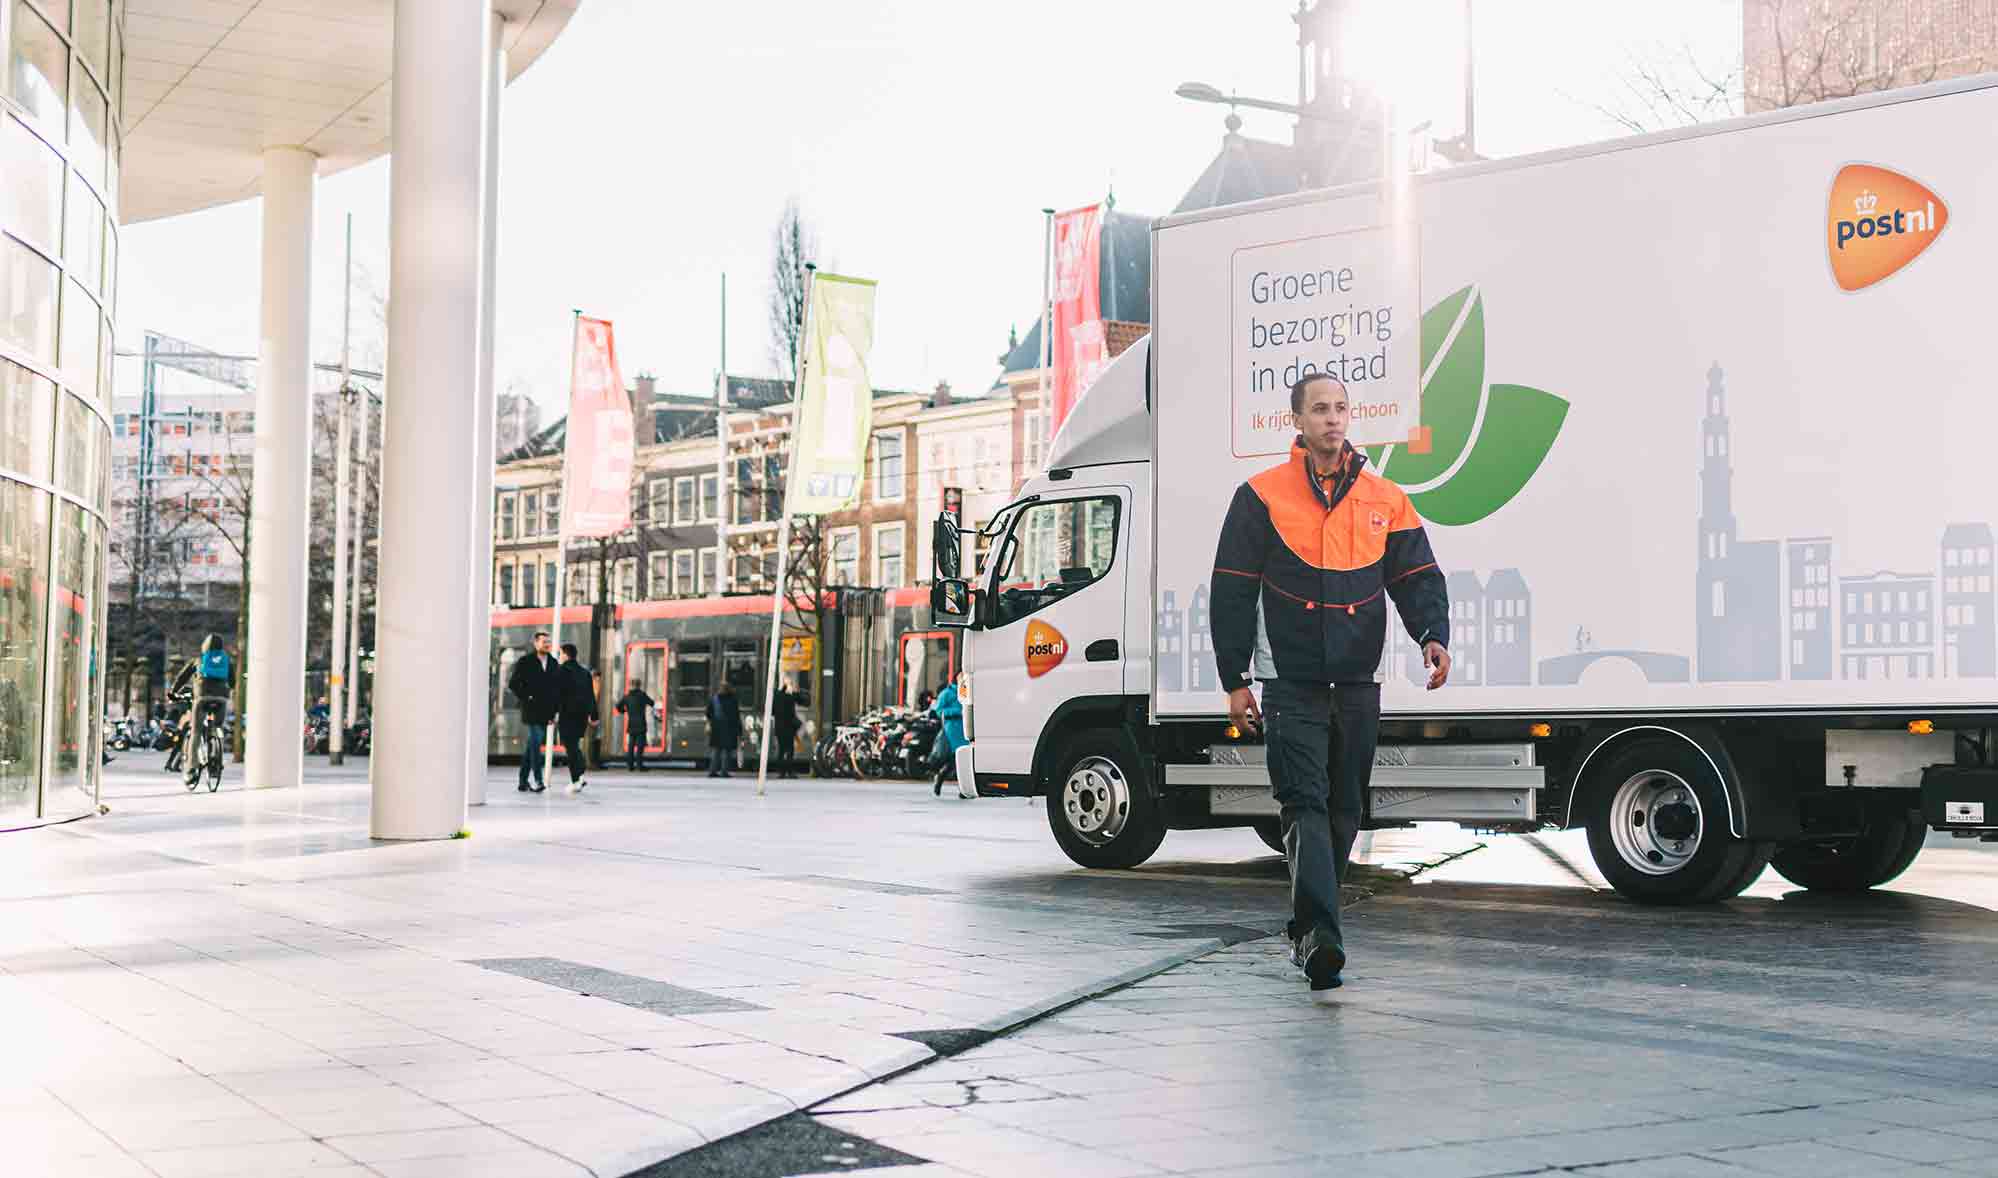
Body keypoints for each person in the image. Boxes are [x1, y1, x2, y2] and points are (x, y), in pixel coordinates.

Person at [1209, 374, 1451, 993]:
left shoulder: (1384, 497)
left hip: (1357, 683)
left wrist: (1432, 633)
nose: (1333, 419)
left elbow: (1416, 573)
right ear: (1298, 420)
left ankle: (1308, 927)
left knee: (1346, 810)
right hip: (1290, 684)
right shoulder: (1260, 497)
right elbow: (1232, 588)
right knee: (1305, 805)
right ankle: (1320, 937)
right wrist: (1234, 678)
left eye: (1341, 408)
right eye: (1320, 409)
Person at [167, 634, 234, 788]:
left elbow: (182, 677)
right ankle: (217, 759)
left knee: (196, 731)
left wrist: (173, 692)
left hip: (202, 697)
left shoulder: (198, 659)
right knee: (218, 728)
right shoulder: (226, 660)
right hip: (221, 698)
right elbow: (232, 681)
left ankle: (190, 769)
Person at [506, 632, 559, 793]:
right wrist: (526, 697)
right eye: (544, 642)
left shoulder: (553, 663)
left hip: (545, 713)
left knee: (532, 746)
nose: (547, 644)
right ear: (535, 643)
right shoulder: (525, 661)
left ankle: (523, 781)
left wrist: (553, 713)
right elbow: (513, 684)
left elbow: (555, 690)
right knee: (536, 744)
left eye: (548, 642)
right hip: (531, 710)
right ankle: (538, 779)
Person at [556, 642, 597, 793]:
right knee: (573, 745)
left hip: (567, 714)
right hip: (582, 716)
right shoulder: (585, 672)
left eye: (560, 654)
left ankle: (576, 778)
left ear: (566, 655)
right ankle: (579, 777)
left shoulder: (561, 671)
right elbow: (590, 696)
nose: (559, 657)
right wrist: (594, 715)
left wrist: (552, 713)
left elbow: (557, 694)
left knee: (570, 747)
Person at [930, 676, 966, 797]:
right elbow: (939, 710)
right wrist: (956, 711)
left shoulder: (966, 691)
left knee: (961, 760)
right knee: (955, 758)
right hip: (951, 729)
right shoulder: (947, 693)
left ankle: (963, 789)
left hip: (965, 728)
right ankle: (941, 779)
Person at [614, 681, 656, 773]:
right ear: (639, 686)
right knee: (640, 746)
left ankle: (630, 766)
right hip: (641, 724)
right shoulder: (642, 695)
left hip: (631, 724)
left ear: (631, 686)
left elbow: (617, 706)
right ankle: (639, 766)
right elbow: (652, 703)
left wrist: (624, 711)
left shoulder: (627, 697)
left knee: (631, 746)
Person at [705, 681, 741, 778]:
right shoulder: (733, 700)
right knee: (726, 751)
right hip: (729, 729)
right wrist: (739, 731)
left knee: (716, 751)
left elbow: (708, 713)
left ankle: (712, 771)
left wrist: (713, 721)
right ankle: (724, 771)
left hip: (716, 728)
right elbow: (736, 717)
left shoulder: (714, 699)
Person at [772, 679, 801, 778]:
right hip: (789, 727)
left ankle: (781, 772)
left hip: (779, 727)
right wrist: (792, 690)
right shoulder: (790, 697)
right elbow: (800, 699)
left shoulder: (776, 697)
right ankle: (790, 771)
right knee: (789, 750)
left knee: (781, 750)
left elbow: (772, 712)